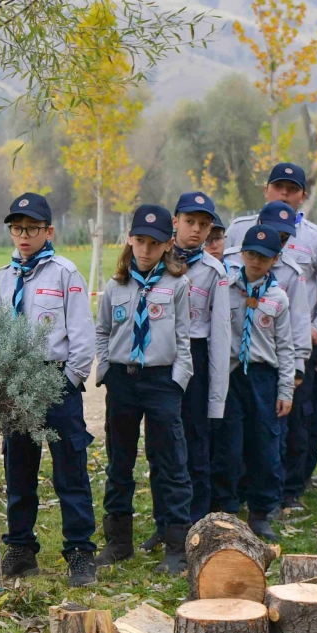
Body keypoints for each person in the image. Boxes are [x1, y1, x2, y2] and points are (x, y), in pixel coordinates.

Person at [222, 163, 317, 508]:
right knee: (235, 430)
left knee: (290, 422)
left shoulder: (315, 238)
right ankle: (241, 493)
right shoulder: (238, 231)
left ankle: (286, 491)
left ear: (302, 196)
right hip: (238, 352)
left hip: (293, 345)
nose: (284, 193)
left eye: (291, 189)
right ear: (266, 190)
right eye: (278, 186)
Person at [0, 192, 98, 586]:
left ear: (48, 231)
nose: (23, 235)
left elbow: (83, 337)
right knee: (19, 467)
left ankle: (81, 553)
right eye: (17, 228)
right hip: (17, 382)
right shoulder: (4, 277)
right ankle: (20, 548)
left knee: (70, 469)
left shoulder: (65, 274)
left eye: (32, 228)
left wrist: (67, 382)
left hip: (56, 380)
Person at [94, 204, 196, 574]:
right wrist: (106, 369)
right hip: (123, 379)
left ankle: (175, 544)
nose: (145, 249)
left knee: (170, 462)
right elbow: (103, 330)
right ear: (129, 239)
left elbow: (184, 337)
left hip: (161, 381)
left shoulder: (177, 285)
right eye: (140, 241)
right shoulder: (115, 284)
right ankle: (119, 541)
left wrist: (177, 380)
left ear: (168, 244)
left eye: (154, 243)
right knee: (119, 461)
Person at [210, 215, 297, 541]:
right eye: (250, 254)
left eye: (264, 256)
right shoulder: (226, 289)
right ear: (241, 254)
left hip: (263, 377)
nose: (256, 261)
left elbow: (285, 347)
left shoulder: (279, 298)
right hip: (231, 375)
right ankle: (228, 508)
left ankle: (261, 511)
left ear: (276, 259)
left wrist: (285, 388)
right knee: (228, 445)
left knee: (265, 445)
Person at [153, 191, 230, 538]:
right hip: (159, 356)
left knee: (195, 443)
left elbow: (220, 336)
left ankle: (195, 524)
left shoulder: (214, 272)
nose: (196, 230)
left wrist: (216, 394)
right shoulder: (155, 260)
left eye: (204, 224)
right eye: (189, 222)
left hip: (196, 358)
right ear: (175, 222)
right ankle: (164, 522)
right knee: (160, 443)